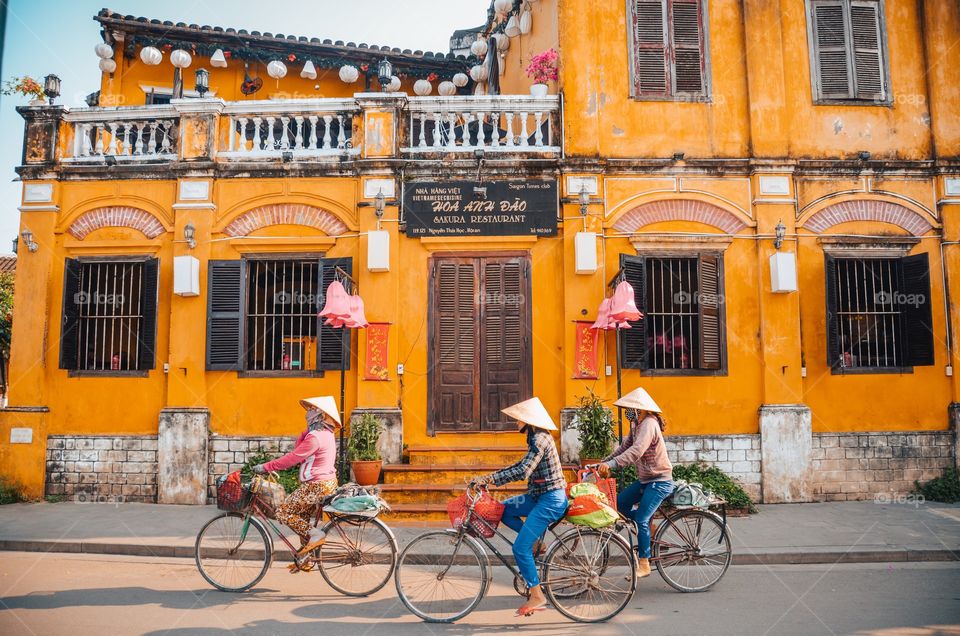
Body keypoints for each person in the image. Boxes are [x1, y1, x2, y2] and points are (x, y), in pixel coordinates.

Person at [472, 397, 567, 617]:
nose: (515, 423)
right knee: (502, 509)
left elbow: (523, 471)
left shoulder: (540, 440)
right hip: (538, 496)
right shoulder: (535, 437)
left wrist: (490, 480)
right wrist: (491, 476)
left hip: (550, 500)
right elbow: (521, 465)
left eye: (518, 419)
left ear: (529, 421)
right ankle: (537, 543)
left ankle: (537, 595)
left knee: (519, 548)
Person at [596, 387, 673, 579]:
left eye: (632, 407)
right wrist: (604, 462)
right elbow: (624, 448)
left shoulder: (649, 424)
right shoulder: (636, 424)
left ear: (643, 409)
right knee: (619, 504)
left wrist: (612, 464)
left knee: (640, 520)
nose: (629, 411)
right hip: (646, 480)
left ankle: (644, 562)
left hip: (660, 481)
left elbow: (636, 451)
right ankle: (647, 530)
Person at [253, 395, 341, 560]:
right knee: (301, 519)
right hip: (325, 483)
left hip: (316, 486)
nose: (307, 414)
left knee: (283, 513)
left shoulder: (315, 437)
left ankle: (316, 535)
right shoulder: (325, 434)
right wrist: (305, 432)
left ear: (321, 415)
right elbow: (299, 449)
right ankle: (306, 558)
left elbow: (293, 458)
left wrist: (266, 467)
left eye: (311, 410)